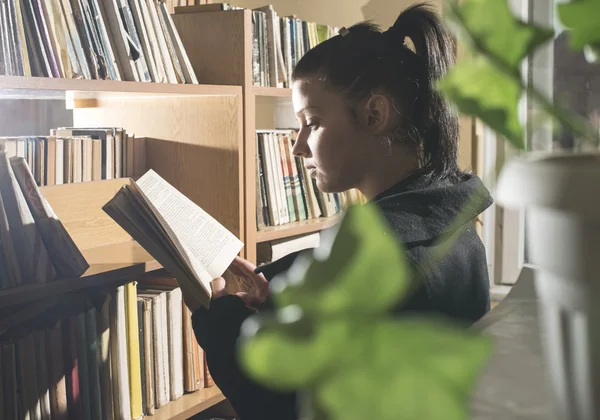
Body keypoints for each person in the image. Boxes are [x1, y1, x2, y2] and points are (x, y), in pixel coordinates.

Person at [185, 3, 493, 419]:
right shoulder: (454, 222)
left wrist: (216, 317)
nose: (297, 146)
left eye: (311, 122)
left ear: (374, 114)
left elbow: (286, 407)